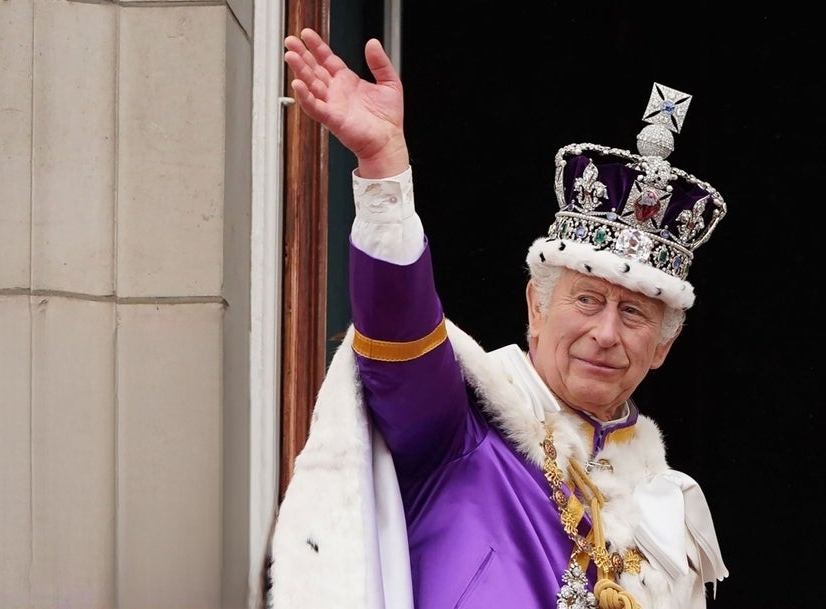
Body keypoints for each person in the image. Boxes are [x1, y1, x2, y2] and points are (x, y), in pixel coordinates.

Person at [269, 28, 729, 609]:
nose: (606, 333)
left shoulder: (669, 512)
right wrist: (384, 168)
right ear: (536, 308)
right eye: (586, 300)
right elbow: (399, 334)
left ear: (662, 347)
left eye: (633, 312)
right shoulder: (461, 430)